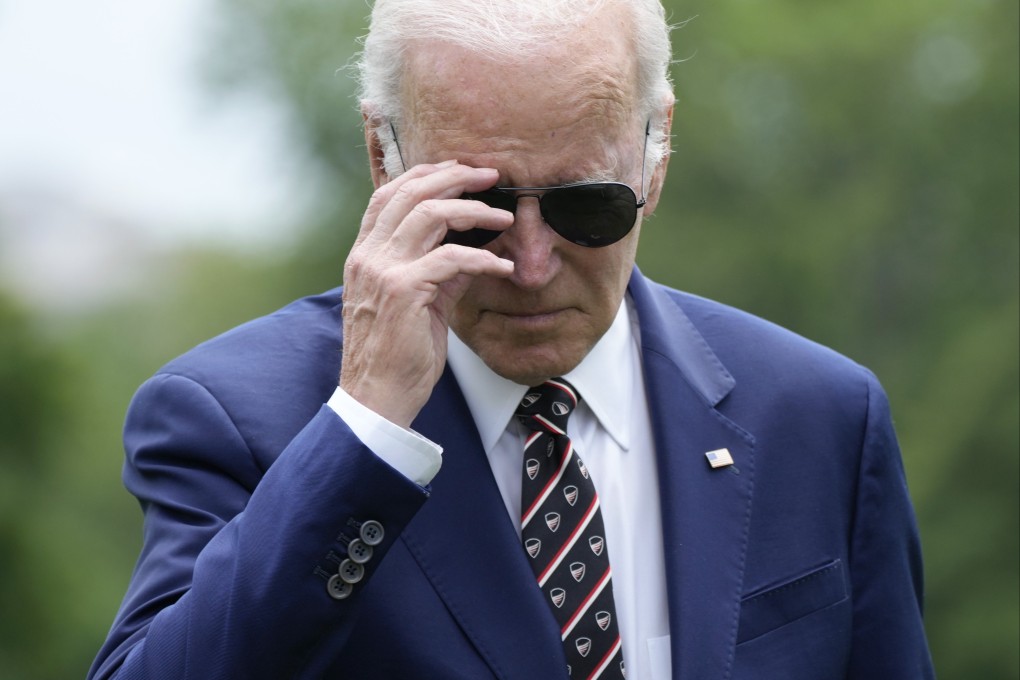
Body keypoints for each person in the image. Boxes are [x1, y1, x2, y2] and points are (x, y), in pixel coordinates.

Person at [89, 0, 935, 678]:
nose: (531, 266)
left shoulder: (821, 417)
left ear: (656, 154)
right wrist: (366, 432)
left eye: (587, 205)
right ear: (386, 161)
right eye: (481, 211)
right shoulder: (235, 418)